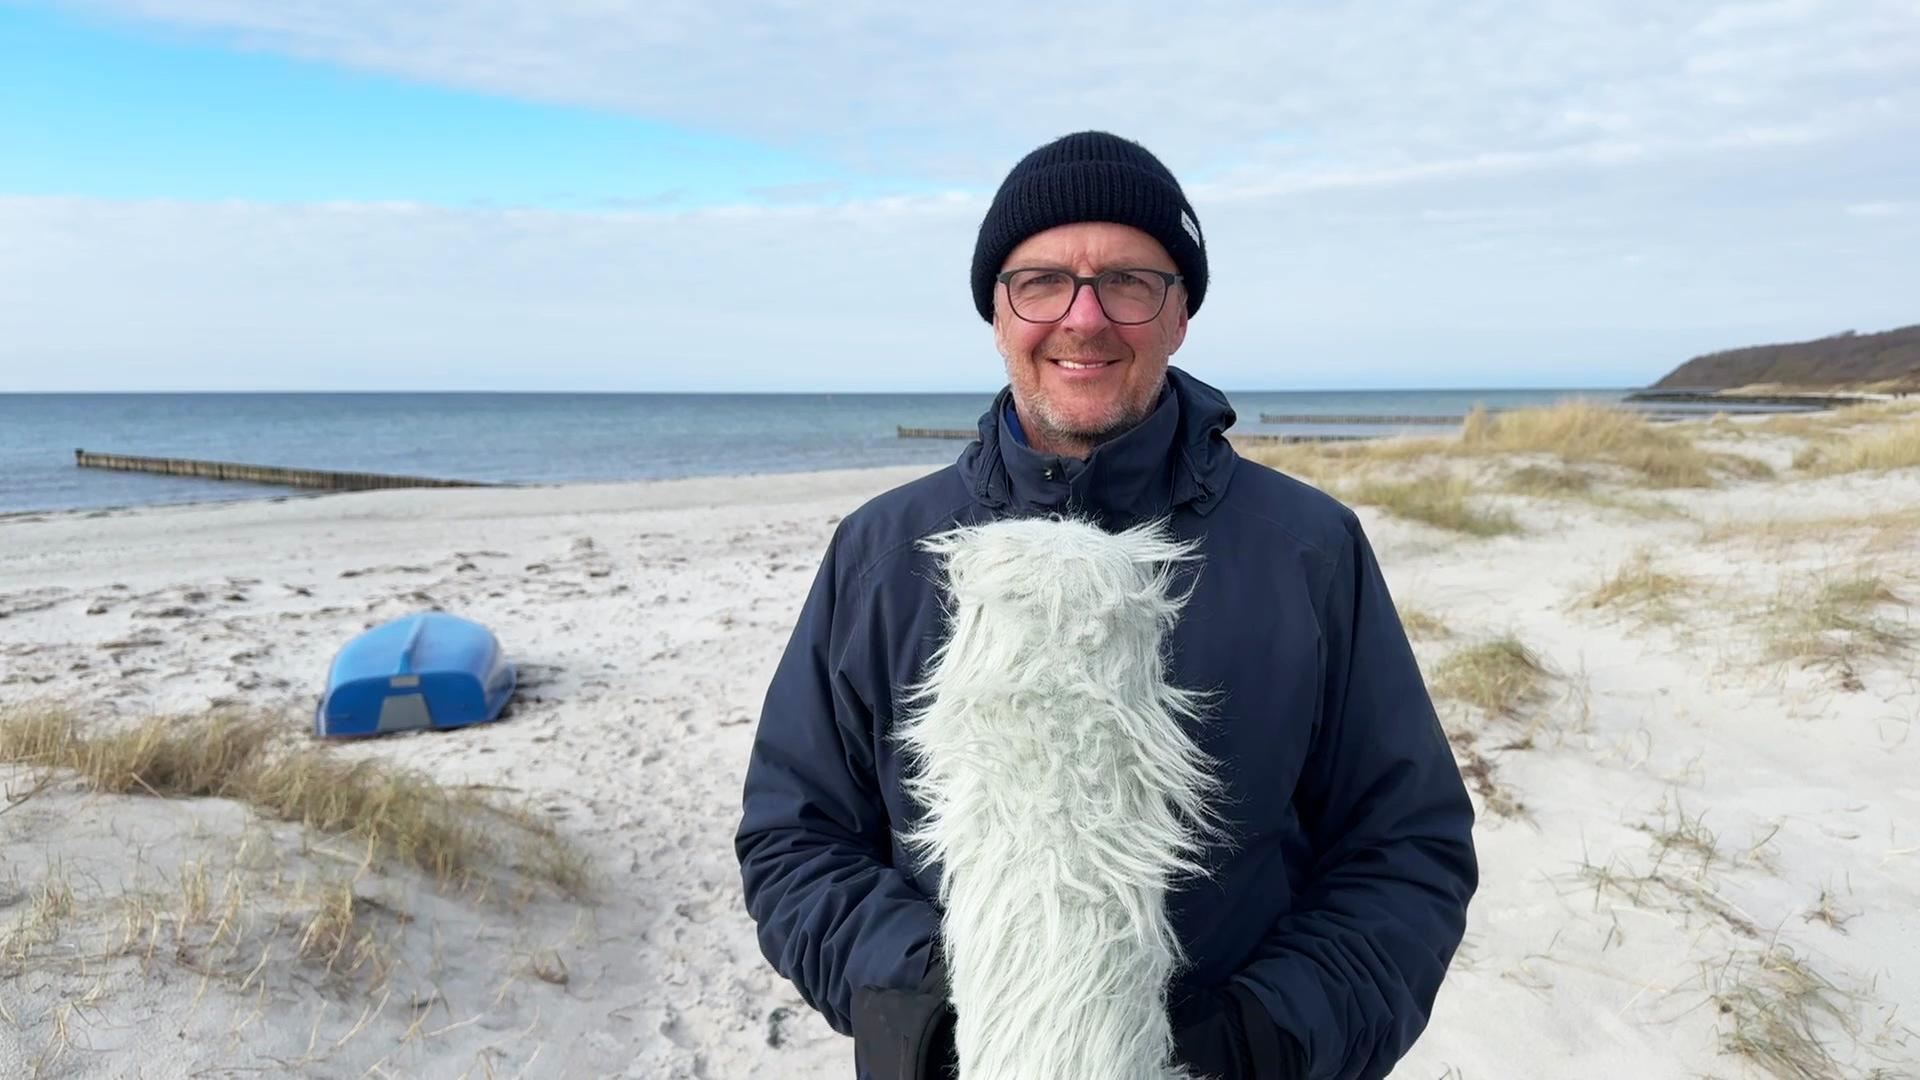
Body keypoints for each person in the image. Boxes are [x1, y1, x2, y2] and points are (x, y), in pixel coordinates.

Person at [735, 130, 1478, 1080]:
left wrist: (1258, 1040)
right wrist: (930, 1008)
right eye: (1042, 281)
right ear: (997, 313)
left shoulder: (1307, 549)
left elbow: (1405, 846)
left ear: (1179, 317)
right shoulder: (882, 552)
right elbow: (795, 836)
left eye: (1131, 281)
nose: (1084, 318)